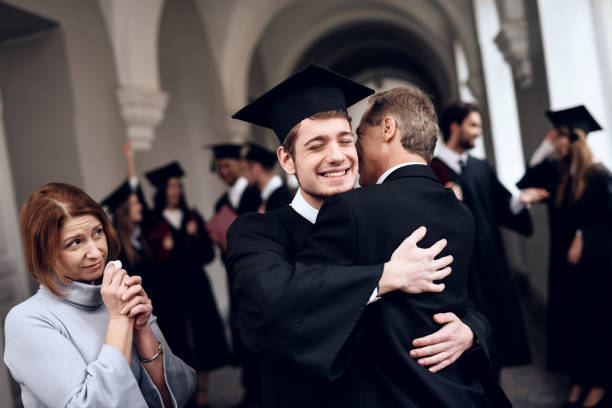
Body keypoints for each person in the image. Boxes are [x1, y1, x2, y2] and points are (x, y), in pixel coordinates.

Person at [228, 65, 504, 407]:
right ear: (287, 159)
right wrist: (385, 276)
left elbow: (460, 299)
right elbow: (268, 306)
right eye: (316, 146)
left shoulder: (383, 214)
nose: (337, 155)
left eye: (346, 140)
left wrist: (470, 331)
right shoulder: (258, 232)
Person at [3, 182, 195, 408]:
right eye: (74, 243)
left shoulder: (119, 294)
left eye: (97, 232)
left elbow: (179, 393)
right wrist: (119, 320)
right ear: (44, 253)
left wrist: (143, 331)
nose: (95, 252)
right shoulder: (28, 320)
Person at [431, 101, 545, 373]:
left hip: (492, 262)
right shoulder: (433, 170)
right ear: (455, 127)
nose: (479, 132)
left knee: (495, 332)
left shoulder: (481, 167)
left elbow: (502, 206)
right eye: (473, 125)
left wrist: (520, 201)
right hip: (463, 271)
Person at [517, 105, 612, 408]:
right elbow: (525, 181)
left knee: (593, 324)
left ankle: (598, 385)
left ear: (576, 139)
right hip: (564, 265)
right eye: (555, 138)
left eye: (560, 137)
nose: (556, 143)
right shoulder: (559, 175)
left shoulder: (599, 175)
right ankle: (578, 383)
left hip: (593, 267)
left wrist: (584, 236)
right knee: (573, 325)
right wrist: (544, 145)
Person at [145, 162, 229, 408]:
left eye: (178, 186)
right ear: (161, 190)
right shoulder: (153, 222)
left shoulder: (192, 216)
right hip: (170, 291)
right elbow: (152, 262)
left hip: (196, 287)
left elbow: (208, 257)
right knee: (177, 340)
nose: (176, 191)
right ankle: (184, 391)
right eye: (171, 186)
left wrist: (196, 237)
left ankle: (202, 390)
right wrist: (166, 248)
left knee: (204, 337)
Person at [206, 143, 263, 408]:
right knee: (241, 330)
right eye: (218, 169)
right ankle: (250, 390)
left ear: (240, 164)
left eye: (226, 166)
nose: (223, 172)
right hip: (234, 274)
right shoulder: (221, 202)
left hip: (259, 273)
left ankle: (263, 390)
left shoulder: (256, 194)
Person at [101, 142, 157, 299]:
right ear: (124, 211)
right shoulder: (117, 246)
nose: (140, 206)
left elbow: (135, 187)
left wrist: (130, 159)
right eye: (135, 204)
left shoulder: (140, 235)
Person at [243, 142, 293, 213]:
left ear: (256, 168)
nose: (244, 176)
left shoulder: (282, 199)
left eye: (244, 170)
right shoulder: (258, 196)